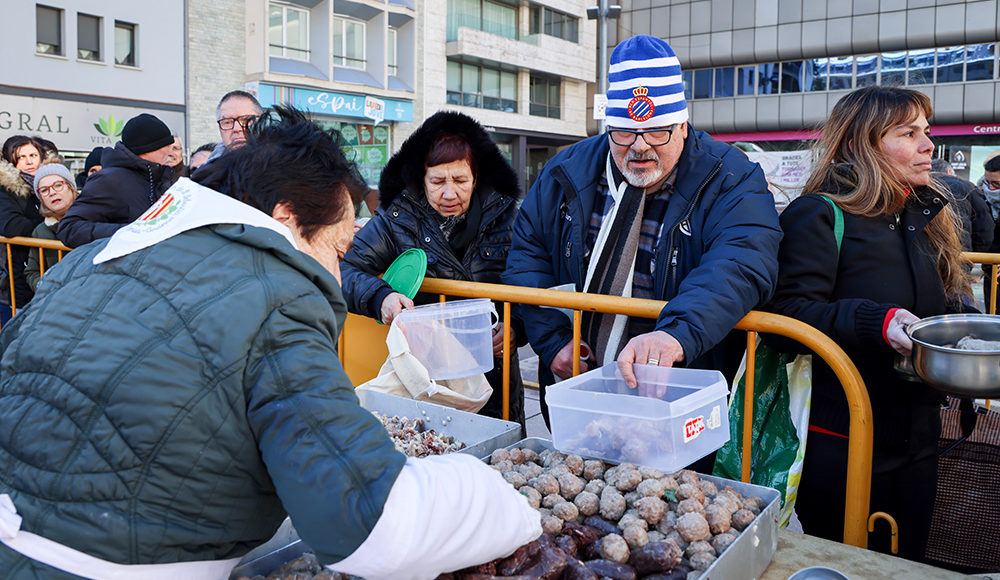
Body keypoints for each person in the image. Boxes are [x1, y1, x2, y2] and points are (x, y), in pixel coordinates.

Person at [0, 107, 539, 580]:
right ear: (286, 217)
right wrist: (506, 502)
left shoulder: (90, 260)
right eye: (338, 249)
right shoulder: (278, 296)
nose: (336, 274)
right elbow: (373, 522)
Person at [504, 35, 781, 425]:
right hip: (579, 389)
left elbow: (742, 261)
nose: (639, 147)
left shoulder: (731, 176)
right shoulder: (566, 169)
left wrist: (677, 334)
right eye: (624, 132)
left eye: (656, 132)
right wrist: (554, 342)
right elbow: (528, 254)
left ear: (682, 125)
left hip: (679, 389)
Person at [767, 86, 973, 561]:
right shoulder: (819, 214)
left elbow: (935, 309)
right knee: (846, 564)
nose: (929, 145)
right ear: (863, 143)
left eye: (926, 131)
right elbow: (785, 316)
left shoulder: (925, 215)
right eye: (908, 133)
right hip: (844, 440)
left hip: (919, 437)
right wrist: (874, 321)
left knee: (907, 562)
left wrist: (968, 333)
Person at [341, 111, 527, 426]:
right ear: (421, 178)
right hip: (425, 379)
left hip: (495, 379)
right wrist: (381, 297)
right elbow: (344, 272)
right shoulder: (397, 218)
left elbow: (532, 281)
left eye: (460, 180)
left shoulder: (508, 217)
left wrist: (516, 328)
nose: (449, 193)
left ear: (476, 177)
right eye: (437, 181)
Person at [57, 113, 179, 248]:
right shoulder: (109, 180)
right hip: (123, 260)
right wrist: (130, 233)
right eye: (166, 147)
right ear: (148, 149)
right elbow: (70, 228)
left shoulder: (159, 179)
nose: (171, 153)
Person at [0, 136, 46, 307]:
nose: (29, 162)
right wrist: (50, 225)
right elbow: (12, 226)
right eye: (21, 157)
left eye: (33, 155)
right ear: (10, 162)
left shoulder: (51, 183)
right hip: (20, 274)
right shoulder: (6, 189)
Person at [25, 162, 78, 291]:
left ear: (71, 187)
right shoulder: (40, 231)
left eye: (58, 185)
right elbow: (32, 272)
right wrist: (48, 288)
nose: (52, 192)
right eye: (44, 190)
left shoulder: (94, 219)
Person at [979, 155, 1000, 310]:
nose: (990, 189)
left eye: (996, 184)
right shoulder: (979, 198)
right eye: (988, 182)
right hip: (991, 275)